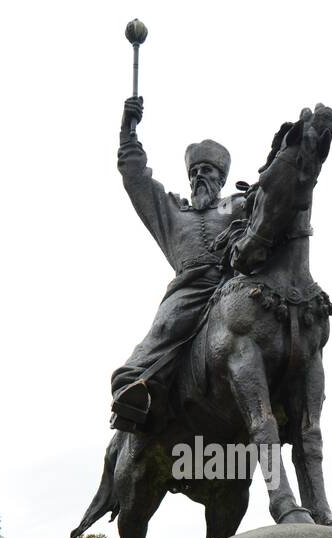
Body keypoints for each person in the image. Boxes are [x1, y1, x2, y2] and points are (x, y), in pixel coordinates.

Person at [109, 94, 249, 433]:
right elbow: (136, 178)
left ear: (221, 177)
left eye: (208, 170)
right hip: (191, 289)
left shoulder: (239, 205)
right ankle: (132, 387)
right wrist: (128, 131)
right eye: (195, 171)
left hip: (236, 286)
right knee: (166, 326)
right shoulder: (170, 211)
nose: (200, 175)